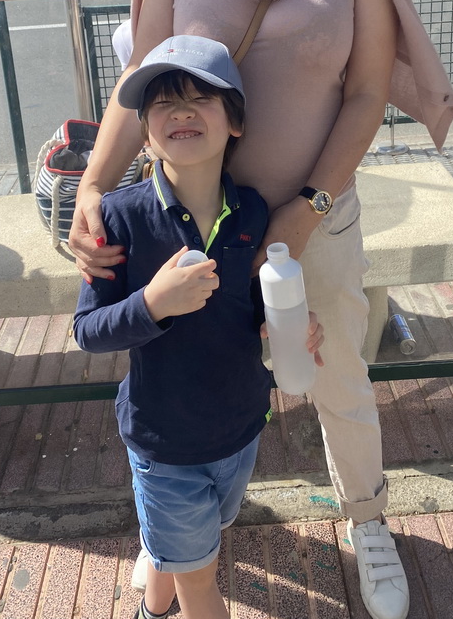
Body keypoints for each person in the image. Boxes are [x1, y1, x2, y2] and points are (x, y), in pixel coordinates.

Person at [70, 0, 453, 619]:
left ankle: (366, 521)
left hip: (308, 225)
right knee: (167, 374)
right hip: (183, 225)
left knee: (336, 378)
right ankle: (165, 534)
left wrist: (305, 211)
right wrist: (96, 187)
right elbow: (142, 91)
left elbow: (365, 97)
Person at [73, 34, 324, 619]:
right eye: (162, 104)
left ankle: (150, 609)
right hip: (165, 442)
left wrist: (292, 322)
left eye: (200, 99)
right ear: (144, 129)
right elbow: (88, 331)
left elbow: (251, 306)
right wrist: (153, 303)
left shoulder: (254, 211)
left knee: (189, 545)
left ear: (235, 122)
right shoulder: (119, 217)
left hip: (241, 428)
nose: (181, 112)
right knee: (202, 582)